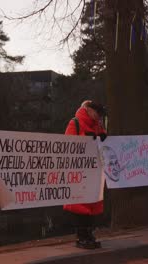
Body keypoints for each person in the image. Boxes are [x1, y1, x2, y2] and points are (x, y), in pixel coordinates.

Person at [63, 100, 107, 249]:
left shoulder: (97, 125)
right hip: (79, 172)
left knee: (92, 206)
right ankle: (81, 237)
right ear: (88, 110)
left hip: (93, 173)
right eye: (97, 114)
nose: (99, 117)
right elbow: (67, 145)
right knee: (80, 206)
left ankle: (89, 235)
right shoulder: (75, 123)